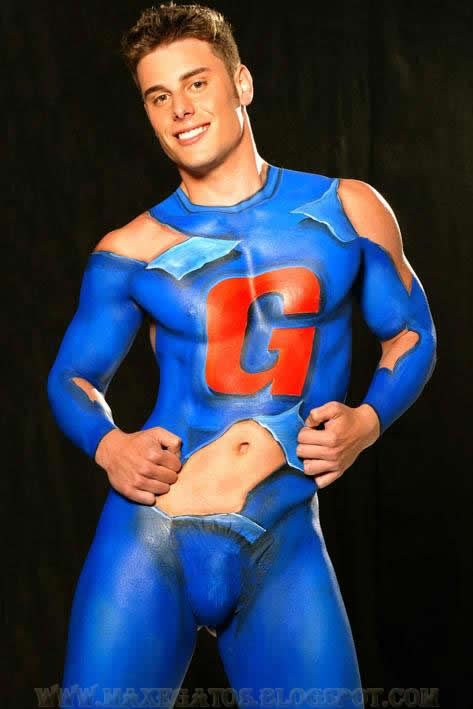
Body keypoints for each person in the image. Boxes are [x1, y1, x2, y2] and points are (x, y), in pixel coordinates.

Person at [47, 3, 437, 708]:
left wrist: (368, 421)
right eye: (158, 96)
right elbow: (71, 376)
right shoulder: (130, 249)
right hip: (150, 534)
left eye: (196, 83)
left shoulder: (348, 209)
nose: (179, 109)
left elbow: (411, 332)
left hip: (280, 533)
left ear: (241, 83)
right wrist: (110, 445)